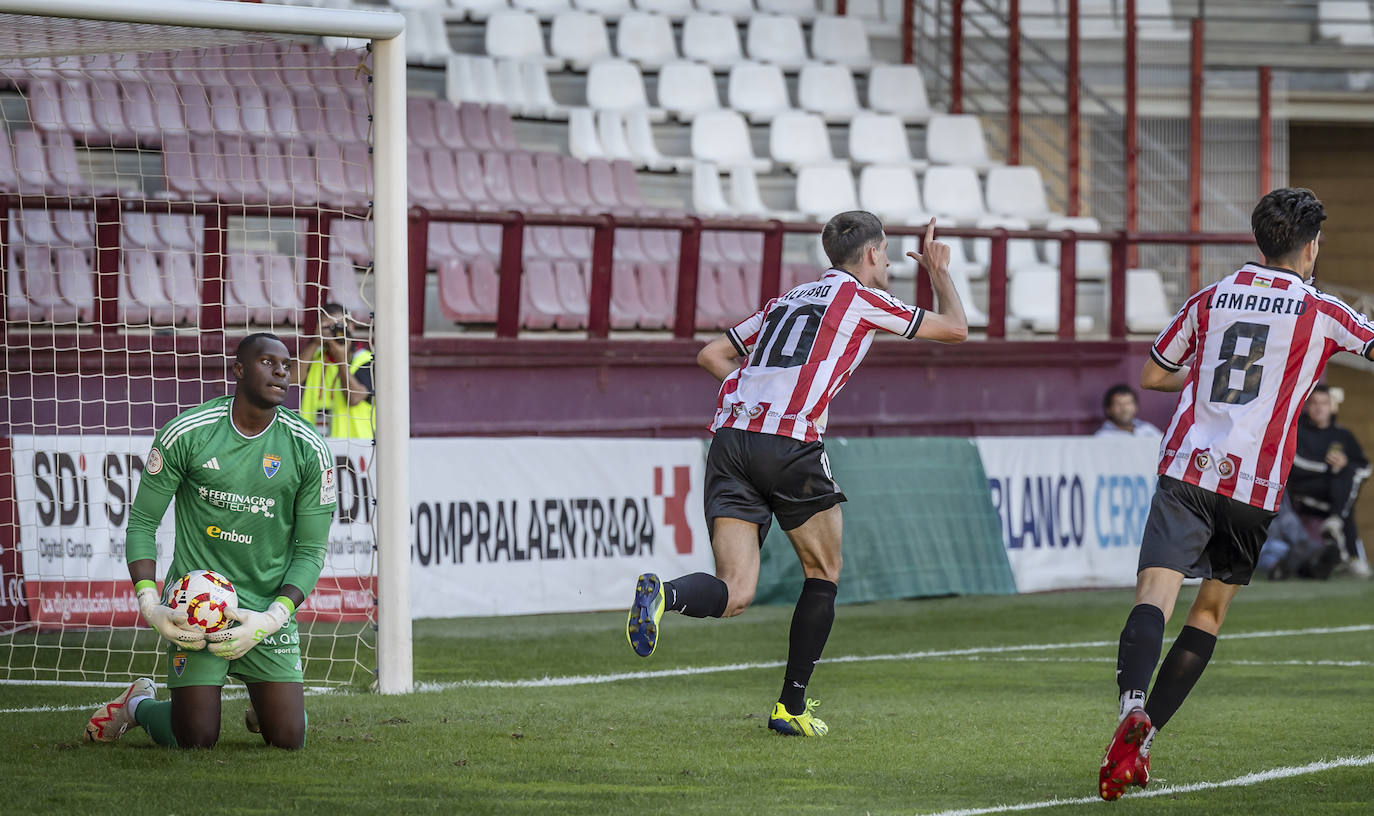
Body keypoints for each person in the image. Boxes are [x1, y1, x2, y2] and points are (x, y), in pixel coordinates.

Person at [624, 213, 968, 737]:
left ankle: (664, 595)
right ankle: (790, 707)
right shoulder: (860, 298)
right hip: (788, 442)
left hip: (730, 440)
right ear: (872, 254)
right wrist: (940, 273)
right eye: (889, 252)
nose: (892, 261)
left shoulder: (787, 299)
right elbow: (956, 330)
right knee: (824, 571)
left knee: (735, 591)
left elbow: (711, 354)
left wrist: (759, 392)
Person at [1099, 188, 1374, 800]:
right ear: (1310, 246)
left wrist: (1205, 375)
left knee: (1154, 595)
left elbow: (1151, 374)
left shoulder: (1210, 298)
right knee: (1208, 613)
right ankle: (1145, 741)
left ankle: (1132, 708)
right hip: (1254, 484)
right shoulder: (1321, 310)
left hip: (1189, 468)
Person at [83, 333, 337, 750]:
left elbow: (311, 551)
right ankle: (138, 706)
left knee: (289, 738)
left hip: (264, 608)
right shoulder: (188, 433)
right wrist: (150, 604)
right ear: (238, 370)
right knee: (196, 738)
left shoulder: (308, 448)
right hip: (197, 609)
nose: (280, 371)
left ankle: (270, 699)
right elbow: (143, 522)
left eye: (286, 365)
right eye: (267, 362)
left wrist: (272, 618)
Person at [1285, 385, 1371, 577]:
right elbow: (1295, 465)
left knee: (1347, 474)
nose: (1319, 408)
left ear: (1332, 407)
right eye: (1314, 403)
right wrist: (1330, 468)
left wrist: (1345, 464)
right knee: (1344, 501)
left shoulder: (1343, 435)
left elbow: (1365, 468)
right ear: (1308, 406)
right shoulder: (1297, 431)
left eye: (1324, 403)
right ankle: (1353, 558)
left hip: (1332, 496)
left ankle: (1337, 534)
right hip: (1303, 495)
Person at [293, 302, 374, 439]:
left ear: (351, 326)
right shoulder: (315, 357)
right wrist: (315, 342)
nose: (335, 331)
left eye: (339, 326)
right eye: (328, 327)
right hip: (313, 443)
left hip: (354, 448)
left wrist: (341, 361)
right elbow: (292, 379)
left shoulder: (367, 360)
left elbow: (354, 398)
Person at [1094, 384, 1162, 437]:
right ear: (1108, 409)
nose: (1124, 409)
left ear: (1136, 407)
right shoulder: (1102, 437)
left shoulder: (1148, 429)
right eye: (1118, 404)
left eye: (1128, 403)